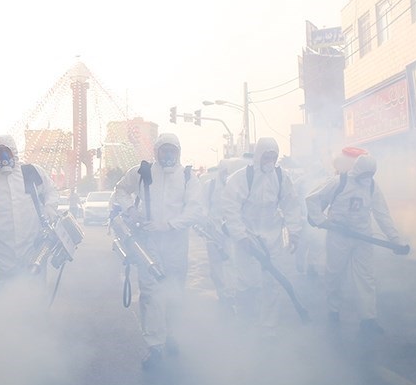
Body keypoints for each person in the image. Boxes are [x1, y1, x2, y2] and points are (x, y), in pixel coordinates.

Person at [111, 133, 203, 370]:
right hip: (148, 243)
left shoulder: (187, 177)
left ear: (179, 152)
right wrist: (130, 209)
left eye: (173, 150)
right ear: (156, 151)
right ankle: (155, 346)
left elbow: (195, 210)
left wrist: (170, 225)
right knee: (151, 294)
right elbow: (120, 190)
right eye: (164, 150)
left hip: (176, 243)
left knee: (174, 292)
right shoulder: (142, 172)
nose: (168, 154)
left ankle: (172, 334)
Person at [305, 152, 404, 336]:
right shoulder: (339, 182)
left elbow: (382, 213)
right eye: (365, 174)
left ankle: (368, 319)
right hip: (339, 236)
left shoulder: (372, 186)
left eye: (370, 175)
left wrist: (395, 239)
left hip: (362, 237)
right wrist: (322, 221)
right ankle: (334, 309)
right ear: (357, 170)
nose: (367, 178)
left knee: (366, 277)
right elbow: (311, 199)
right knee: (335, 273)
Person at [220, 137, 303, 337]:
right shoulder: (241, 178)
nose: (270, 161)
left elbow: (291, 205)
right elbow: (230, 209)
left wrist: (294, 232)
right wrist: (240, 236)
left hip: (272, 235)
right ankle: (245, 321)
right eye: (267, 156)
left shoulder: (282, 177)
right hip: (247, 235)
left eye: (273, 157)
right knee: (246, 281)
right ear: (258, 155)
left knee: (272, 282)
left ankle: (268, 326)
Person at [0, 135, 59, 294]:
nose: (2, 156)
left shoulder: (31, 172)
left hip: (32, 247)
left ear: (13, 151)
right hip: (2, 253)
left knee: (35, 292)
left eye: (5, 151)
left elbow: (51, 191)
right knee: (5, 292)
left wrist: (50, 209)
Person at [199, 157, 247, 315]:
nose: (227, 175)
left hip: (232, 230)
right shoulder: (210, 186)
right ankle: (223, 294)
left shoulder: (238, 186)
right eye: (225, 172)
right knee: (216, 265)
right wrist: (206, 219)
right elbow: (203, 205)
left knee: (233, 262)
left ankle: (233, 294)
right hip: (214, 230)